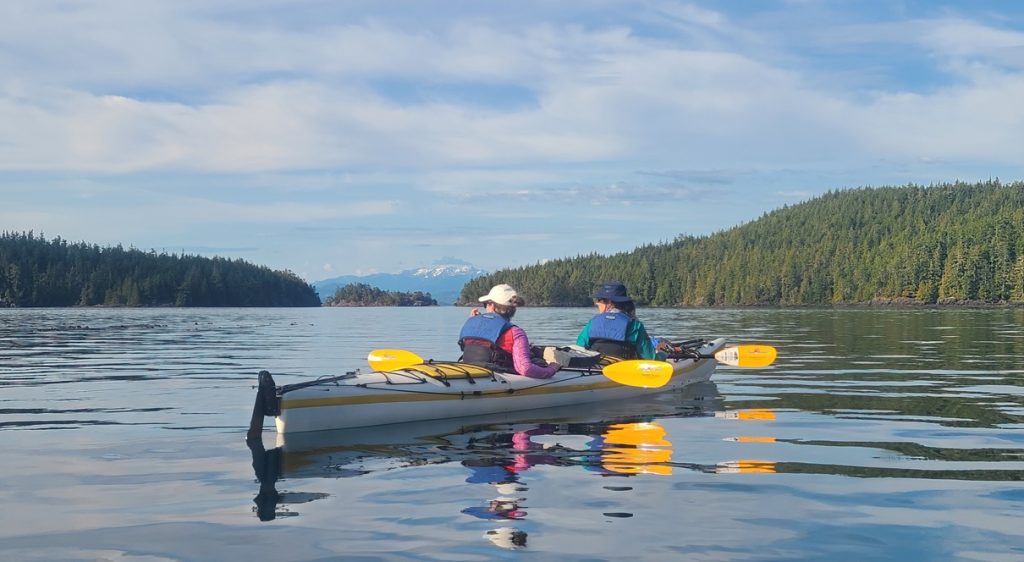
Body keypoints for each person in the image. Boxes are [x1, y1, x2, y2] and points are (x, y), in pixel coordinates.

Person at [459, 284, 563, 378]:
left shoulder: (471, 323)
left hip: (471, 369)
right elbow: (525, 369)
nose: (485, 307)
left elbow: (478, 343)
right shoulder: (516, 333)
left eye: (486, 304)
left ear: (492, 306)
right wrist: (551, 369)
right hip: (498, 375)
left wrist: (476, 321)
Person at [576, 281, 676, 359]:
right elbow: (651, 359)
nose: (596, 303)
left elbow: (579, 349)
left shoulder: (592, 323)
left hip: (596, 369)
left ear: (609, 303)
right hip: (625, 371)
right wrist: (663, 354)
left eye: (599, 300)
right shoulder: (635, 326)